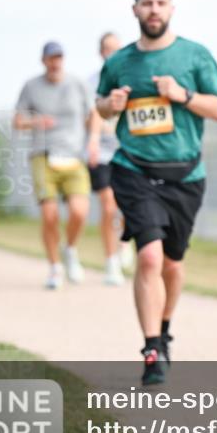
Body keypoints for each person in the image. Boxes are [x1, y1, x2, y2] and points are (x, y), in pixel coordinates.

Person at [96, 0, 217, 386]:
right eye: (146, 3)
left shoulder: (195, 57)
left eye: (160, 3)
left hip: (186, 175)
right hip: (134, 169)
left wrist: (183, 95)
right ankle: (152, 348)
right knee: (148, 256)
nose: (153, 9)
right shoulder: (118, 62)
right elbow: (100, 108)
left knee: (172, 262)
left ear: (171, 9)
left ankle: (164, 328)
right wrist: (109, 104)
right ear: (135, 9)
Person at [14, 41, 93, 290]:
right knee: (50, 215)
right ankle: (54, 267)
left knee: (79, 211)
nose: (56, 61)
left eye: (59, 57)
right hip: (44, 155)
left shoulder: (78, 84)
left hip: (73, 155)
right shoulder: (31, 86)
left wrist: (93, 143)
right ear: (44, 60)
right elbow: (18, 121)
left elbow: (92, 116)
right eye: (51, 57)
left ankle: (69, 248)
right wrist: (36, 121)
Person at [87, 31, 131, 285]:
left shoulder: (130, 78)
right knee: (108, 206)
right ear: (101, 52)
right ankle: (110, 261)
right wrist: (93, 139)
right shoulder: (91, 82)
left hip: (127, 151)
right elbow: (90, 114)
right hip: (101, 153)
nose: (112, 53)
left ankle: (125, 244)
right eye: (108, 49)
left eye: (117, 48)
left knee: (127, 205)